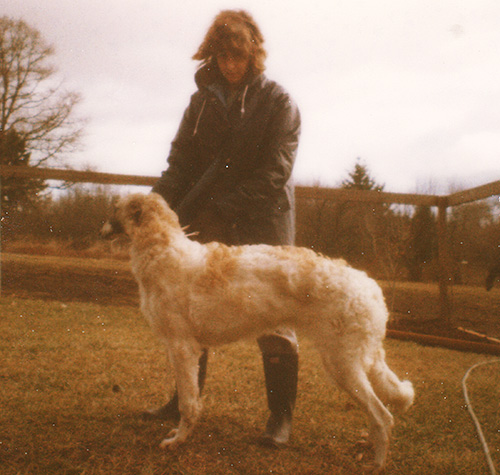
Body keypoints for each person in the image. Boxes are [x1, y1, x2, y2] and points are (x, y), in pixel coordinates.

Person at [146, 9, 301, 447]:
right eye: (223, 57)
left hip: (264, 218)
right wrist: (155, 204)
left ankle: (280, 417)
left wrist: (223, 207)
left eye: (239, 56)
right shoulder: (200, 104)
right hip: (210, 217)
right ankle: (183, 401)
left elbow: (275, 172)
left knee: (274, 316)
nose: (231, 65)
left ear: (254, 55)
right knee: (193, 309)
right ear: (212, 56)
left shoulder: (278, 102)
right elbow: (180, 162)